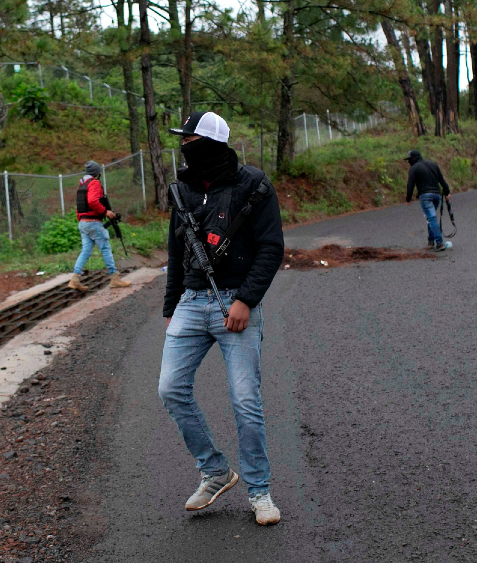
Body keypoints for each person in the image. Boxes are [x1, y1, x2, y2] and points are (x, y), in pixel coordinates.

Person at [159, 111, 285, 526]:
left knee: (245, 400)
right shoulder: (183, 190)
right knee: (170, 388)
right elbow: (177, 254)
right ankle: (214, 471)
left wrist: (246, 300)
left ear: (210, 142)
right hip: (192, 302)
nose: (184, 146)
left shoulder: (254, 185)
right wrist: (170, 306)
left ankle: (260, 491)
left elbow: (270, 247)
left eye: (190, 139)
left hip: (236, 303)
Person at [68, 161, 132, 291]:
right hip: (93, 222)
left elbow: (80, 206)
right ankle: (115, 279)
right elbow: (92, 201)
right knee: (105, 249)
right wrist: (105, 212)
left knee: (85, 251)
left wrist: (82, 219)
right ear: (97, 173)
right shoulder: (94, 183)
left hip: (83, 223)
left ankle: (75, 279)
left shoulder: (81, 185)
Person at [404, 149, 451, 251]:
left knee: (431, 218)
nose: (409, 162)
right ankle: (430, 241)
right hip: (437, 195)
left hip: (425, 196)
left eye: (409, 159)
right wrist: (447, 192)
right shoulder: (433, 164)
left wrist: (408, 198)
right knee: (431, 217)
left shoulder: (414, 168)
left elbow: (410, 185)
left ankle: (439, 243)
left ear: (414, 158)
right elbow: (442, 180)